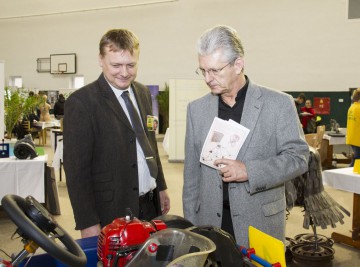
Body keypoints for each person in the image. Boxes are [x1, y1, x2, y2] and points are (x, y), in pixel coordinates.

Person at [183, 25, 309, 247]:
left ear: (238, 65)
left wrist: (249, 171)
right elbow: (192, 176)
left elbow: (299, 158)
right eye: (202, 70)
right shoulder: (196, 110)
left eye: (215, 70)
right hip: (210, 223)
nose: (207, 78)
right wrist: (192, 227)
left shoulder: (279, 104)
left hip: (259, 221)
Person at [63, 29, 170, 238]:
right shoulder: (81, 103)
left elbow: (149, 145)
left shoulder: (143, 93)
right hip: (110, 211)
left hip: (149, 205)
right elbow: (77, 172)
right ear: (101, 60)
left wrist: (161, 186)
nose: (124, 72)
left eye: (131, 65)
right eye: (116, 65)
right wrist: (87, 222)